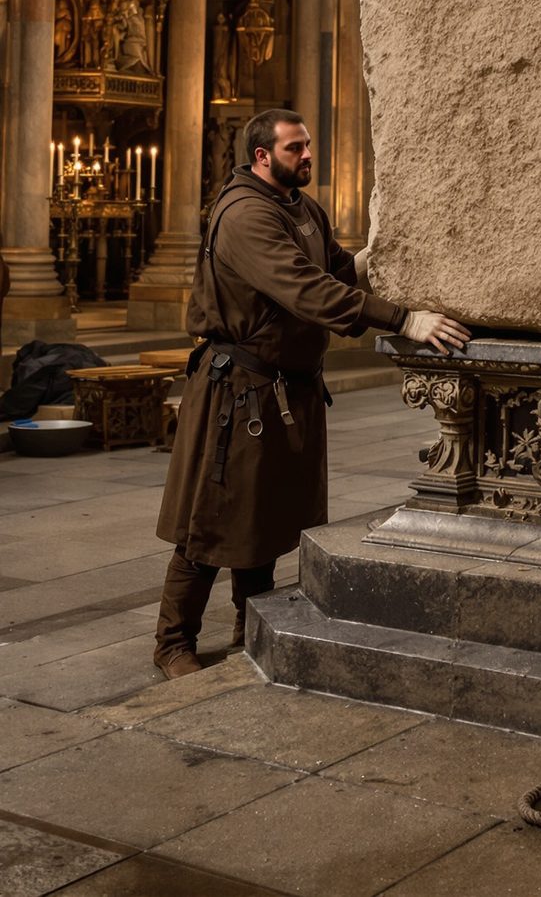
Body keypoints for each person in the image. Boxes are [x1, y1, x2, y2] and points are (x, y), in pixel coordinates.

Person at [153, 108, 470, 677]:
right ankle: (173, 641)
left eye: (306, 146)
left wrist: (373, 256)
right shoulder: (245, 214)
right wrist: (402, 320)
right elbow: (304, 288)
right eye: (295, 148)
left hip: (284, 392)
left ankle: (250, 622)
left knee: (264, 519)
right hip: (237, 394)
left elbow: (334, 267)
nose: (307, 155)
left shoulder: (301, 206)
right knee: (212, 520)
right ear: (261, 156)